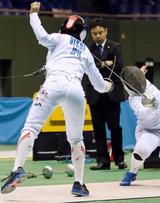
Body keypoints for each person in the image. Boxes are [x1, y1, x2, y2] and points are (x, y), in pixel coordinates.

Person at [1, 2, 113, 197]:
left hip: (53, 85)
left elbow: (41, 36)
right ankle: (79, 183)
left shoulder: (58, 38)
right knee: (76, 138)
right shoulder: (86, 51)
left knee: (31, 128)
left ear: (64, 28)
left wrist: (33, 14)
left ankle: (17, 169)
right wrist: (109, 85)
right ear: (83, 33)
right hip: (76, 91)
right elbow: (99, 86)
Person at [82, 18, 127, 170]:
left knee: (115, 127)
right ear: (91, 34)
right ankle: (103, 161)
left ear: (106, 31)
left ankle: (119, 159)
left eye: (100, 32)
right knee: (98, 129)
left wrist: (104, 64)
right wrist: (105, 63)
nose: (98, 36)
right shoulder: (86, 49)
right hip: (95, 96)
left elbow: (119, 66)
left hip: (112, 94)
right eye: (94, 33)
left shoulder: (115, 46)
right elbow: (86, 69)